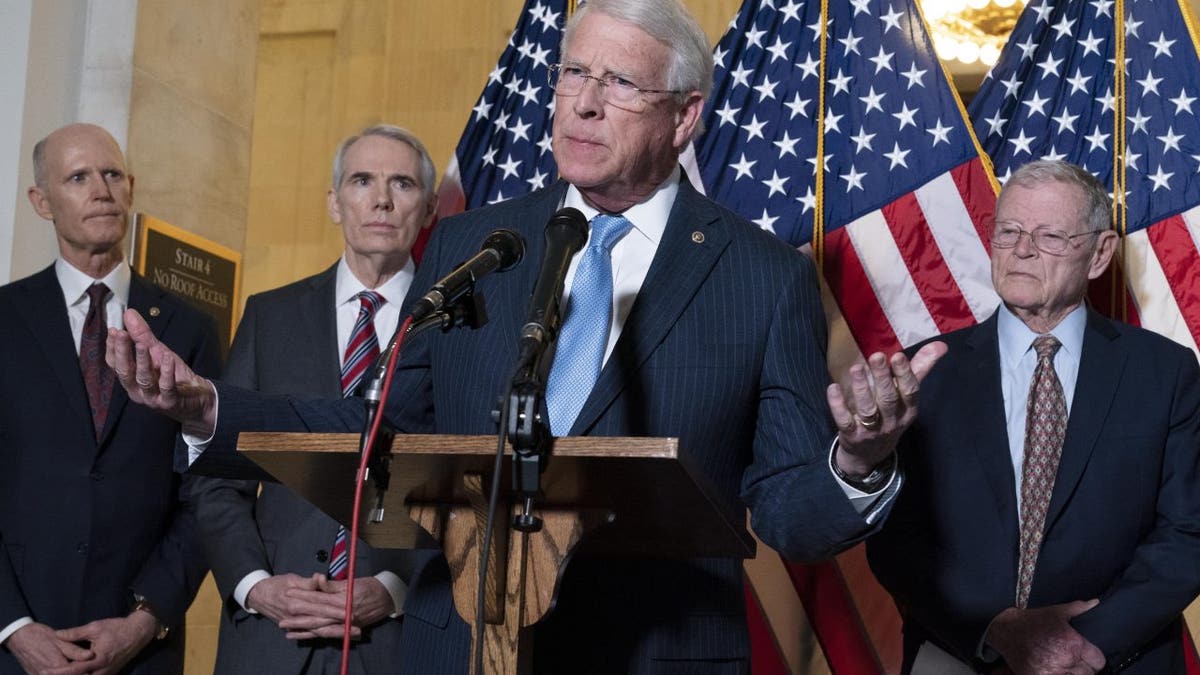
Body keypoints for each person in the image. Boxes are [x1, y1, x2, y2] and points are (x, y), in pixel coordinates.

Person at [106, 1, 944, 671]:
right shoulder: (478, 243)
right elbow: (383, 428)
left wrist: (858, 463)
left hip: (657, 646)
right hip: (462, 642)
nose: (580, 102)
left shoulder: (763, 276)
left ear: (686, 117)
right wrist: (206, 406)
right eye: (573, 71)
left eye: (618, 83)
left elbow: (791, 509)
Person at [867, 159, 1200, 674]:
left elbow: (1187, 534)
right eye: (1009, 231)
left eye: (1048, 236)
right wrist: (996, 629)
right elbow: (895, 538)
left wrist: (1079, 644)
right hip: (959, 655)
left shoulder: (1166, 373)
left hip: (1113, 660)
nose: (1022, 249)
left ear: (1099, 254)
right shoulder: (924, 372)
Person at [190, 125, 437, 674]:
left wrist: (395, 586)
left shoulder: (460, 327)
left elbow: (473, 487)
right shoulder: (269, 316)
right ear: (333, 202)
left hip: (401, 642)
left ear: (428, 208)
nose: (381, 199)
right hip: (271, 638)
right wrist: (256, 586)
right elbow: (216, 479)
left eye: (402, 183)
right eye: (361, 180)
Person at [0, 123, 220, 674]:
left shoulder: (190, 329)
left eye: (112, 174)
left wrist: (145, 619)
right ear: (41, 202)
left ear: (131, 188)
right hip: (18, 647)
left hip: (142, 649)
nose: (101, 189)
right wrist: (15, 627)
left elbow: (209, 491)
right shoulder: (5, 319)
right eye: (78, 177)